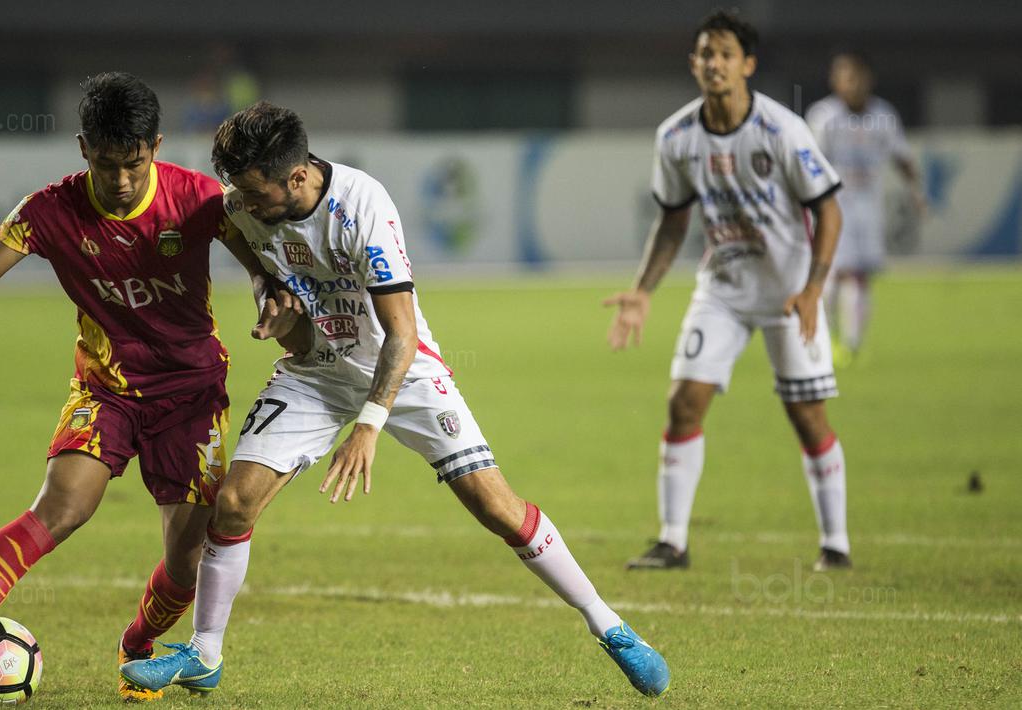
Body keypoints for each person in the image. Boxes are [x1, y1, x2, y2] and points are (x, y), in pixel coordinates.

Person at [118, 101, 671, 699]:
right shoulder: (241, 207)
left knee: (495, 506)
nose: (244, 207)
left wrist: (369, 426)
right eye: (240, 195)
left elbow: (401, 333)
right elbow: (260, 266)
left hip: (400, 370)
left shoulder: (362, 206)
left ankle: (609, 626)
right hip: (315, 371)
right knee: (233, 503)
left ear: (296, 176)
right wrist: (270, 297)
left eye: (256, 196)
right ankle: (205, 653)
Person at [0, 73, 293, 703]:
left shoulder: (199, 199)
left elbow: (262, 269)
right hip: (107, 388)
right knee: (62, 507)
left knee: (187, 563)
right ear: (84, 149)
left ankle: (137, 643)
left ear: (154, 146)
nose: (123, 180)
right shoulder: (49, 211)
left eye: (134, 163)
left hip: (190, 394)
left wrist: (271, 299)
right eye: (108, 165)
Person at [603, 10, 853, 573]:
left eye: (724, 54)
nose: (713, 63)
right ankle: (673, 541)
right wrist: (643, 290)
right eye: (704, 54)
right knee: (683, 401)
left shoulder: (782, 130)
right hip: (723, 289)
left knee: (806, 416)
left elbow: (828, 209)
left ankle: (835, 545)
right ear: (693, 64)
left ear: (748, 65)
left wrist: (815, 289)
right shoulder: (676, 137)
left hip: (790, 292)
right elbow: (672, 221)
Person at [806, 51, 925, 364]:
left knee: (860, 275)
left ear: (868, 79)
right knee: (832, 273)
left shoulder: (883, 115)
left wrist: (916, 192)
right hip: (833, 205)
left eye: (856, 76)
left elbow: (902, 157)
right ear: (835, 80)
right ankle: (827, 340)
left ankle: (853, 345)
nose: (851, 83)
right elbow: (809, 162)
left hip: (868, 207)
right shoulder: (823, 116)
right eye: (845, 76)